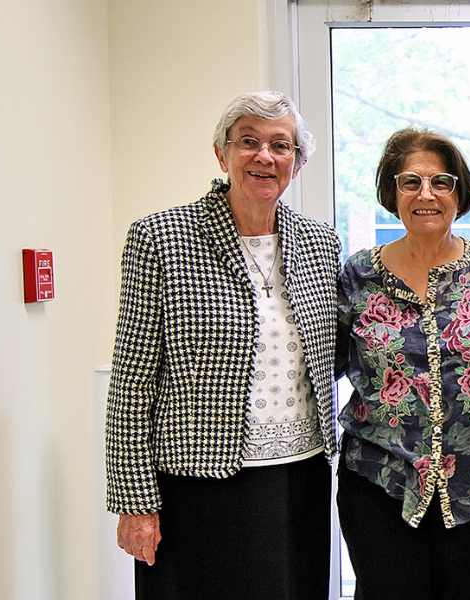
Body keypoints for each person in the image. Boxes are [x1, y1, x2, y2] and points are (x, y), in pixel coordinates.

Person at [105, 91, 340, 599]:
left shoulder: (322, 241)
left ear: (296, 164)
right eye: (249, 142)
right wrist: (135, 498)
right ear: (222, 153)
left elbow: (330, 356)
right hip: (199, 480)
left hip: (300, 476)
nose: (264, 156)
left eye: (281, 146)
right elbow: (131, 380)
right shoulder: (160, 237)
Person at [335, 127, 470, 600]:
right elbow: (325, 362)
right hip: (379, 479)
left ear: (460, 193)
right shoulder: (358, 274)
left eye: (441, 182)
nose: (426, 195)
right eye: (410, 182)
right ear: (392, 194)